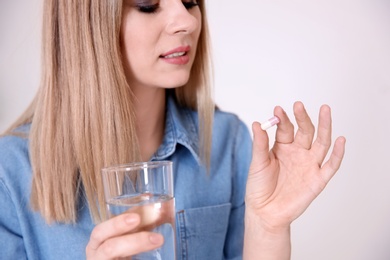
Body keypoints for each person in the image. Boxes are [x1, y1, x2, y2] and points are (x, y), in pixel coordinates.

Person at [0, 0, 346, 259]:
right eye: (149, 4)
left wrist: (269, 229)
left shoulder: (230, 144)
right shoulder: (9, 174)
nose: (186, 21)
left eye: (190, 0)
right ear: (87, 24)